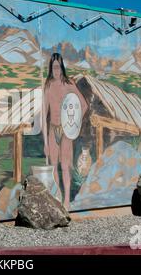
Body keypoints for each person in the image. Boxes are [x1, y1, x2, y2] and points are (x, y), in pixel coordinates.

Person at [43, 53, 88, 209]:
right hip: (52, 128)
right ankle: (59, 196)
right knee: (54, 165)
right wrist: (45, 142)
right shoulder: (48, 85)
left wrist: (76, 123)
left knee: (65, 165)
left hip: (66, 130)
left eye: (59, 67)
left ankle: (67, 199)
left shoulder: (69, 84)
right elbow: (44, 114)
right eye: (54, 67)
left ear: (62, 68)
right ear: (51, 68)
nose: (56, 70)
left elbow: (84, 105)